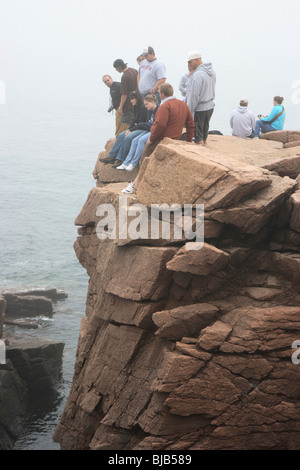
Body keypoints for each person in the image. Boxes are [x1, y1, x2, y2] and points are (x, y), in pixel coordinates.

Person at [121, 83, 195, 194]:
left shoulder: (164, 106)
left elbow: (159, 125)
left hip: (162, 139)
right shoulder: (183, 105)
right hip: (176, 140)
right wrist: (188, 142)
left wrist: (151, 138)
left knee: (145, 161)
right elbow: (190, 123)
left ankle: (134, 185)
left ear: (162, 94)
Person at [99, 91, 147, 165]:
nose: (131, 101)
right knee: (121, 135)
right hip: (136, 127)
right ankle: (112, 157)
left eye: (132, 99)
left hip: (142, 129)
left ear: (137, 99)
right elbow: (134, 120)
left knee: (128, 137)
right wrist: (129, 129)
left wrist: (131, 130)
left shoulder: (143, 108)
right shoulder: (136, 107)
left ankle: (121, 159)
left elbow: (140, 123)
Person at [116, 94, 159, 171]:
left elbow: (153, 124)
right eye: (145, 104)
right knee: (135, 140)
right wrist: (141, 125)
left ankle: (133, 163)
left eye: (147, 104)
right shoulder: (149, 111)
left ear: (152, 102)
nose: (146, 106)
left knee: (141, 140)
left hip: (155, 130)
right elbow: (148, 123)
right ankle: (126, 163)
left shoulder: (159, 110)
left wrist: (140, 125)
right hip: (149, 129)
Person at [185, 50, 216, 145]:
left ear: (197, 60)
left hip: (200, 108)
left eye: (190, 62)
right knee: (204, 134)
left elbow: (193, 96)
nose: (188, 64)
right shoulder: (212, 72)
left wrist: (188, 112)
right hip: (210, 106)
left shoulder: (197, 75)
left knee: (198, 137)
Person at [113, 59, 139, 126]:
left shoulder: (124, 77)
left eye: (116, 68)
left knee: (129, 125)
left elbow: (124, 94)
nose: (116, 70)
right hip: (138, 101)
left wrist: (121, 107)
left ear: (119, 67)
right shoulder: (134, 70)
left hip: (129, 104)